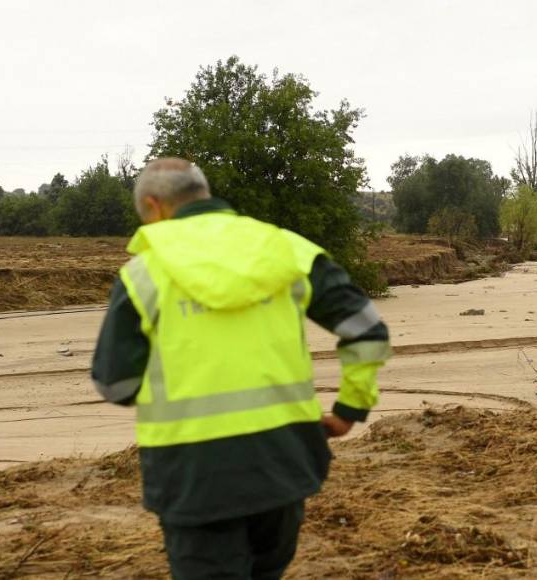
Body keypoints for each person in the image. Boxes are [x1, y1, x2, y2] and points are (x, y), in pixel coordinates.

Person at [92, 158, 390, 579]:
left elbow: (116, 384)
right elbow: (368, 331)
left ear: (155, 207)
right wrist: (349, 410)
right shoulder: (287, 249)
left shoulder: (143, 274)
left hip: (192, 476)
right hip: (284, 463)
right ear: (203, 194)